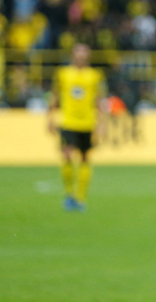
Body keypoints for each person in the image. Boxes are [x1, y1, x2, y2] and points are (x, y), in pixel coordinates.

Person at [47, 44, 107, 212]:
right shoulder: (63, 74)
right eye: (78, 53)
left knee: (85, 158)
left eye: (84, 54)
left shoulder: (95, 75)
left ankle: (81, 198)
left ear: (88, 56)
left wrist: (102, 123)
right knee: (66, 154)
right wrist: (50, 118)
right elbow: (54, 96)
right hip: (68, 121)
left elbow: (99, 100)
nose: (81, 57)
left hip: (87, 122)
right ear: (73, 55)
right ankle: (69, 195)